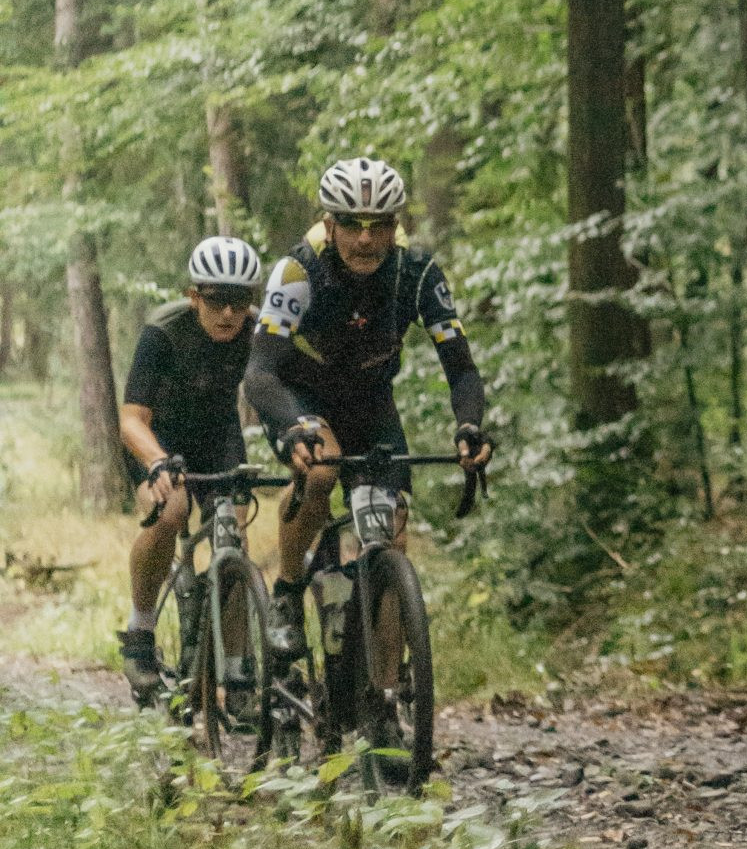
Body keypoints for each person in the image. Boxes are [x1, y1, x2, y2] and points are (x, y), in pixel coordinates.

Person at [245, 157, 491, 660]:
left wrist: (469, 424)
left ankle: (384, 690)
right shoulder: (298, 271)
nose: (365, 240)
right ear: (329, 223)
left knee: (391, 538)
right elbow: (260, 372)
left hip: (370, 402)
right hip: (302, 396)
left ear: (395, 226)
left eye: (379, 225)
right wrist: (290, 427)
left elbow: (461, 368)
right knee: (321, 471)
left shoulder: (417, 274)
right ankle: (287, 592)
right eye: (352, 225)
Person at [116, 236, 264, 704]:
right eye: (217, 301)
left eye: (239, 301)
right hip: (156, 437)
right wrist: (156, 461)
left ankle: (236, 665)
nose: (228, 314)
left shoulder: (257, 331)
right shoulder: (164, 330)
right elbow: (131, 418)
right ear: (194, 296)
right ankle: (140, 631)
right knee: (171, 510)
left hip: (217, 436)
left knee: (232, 536)